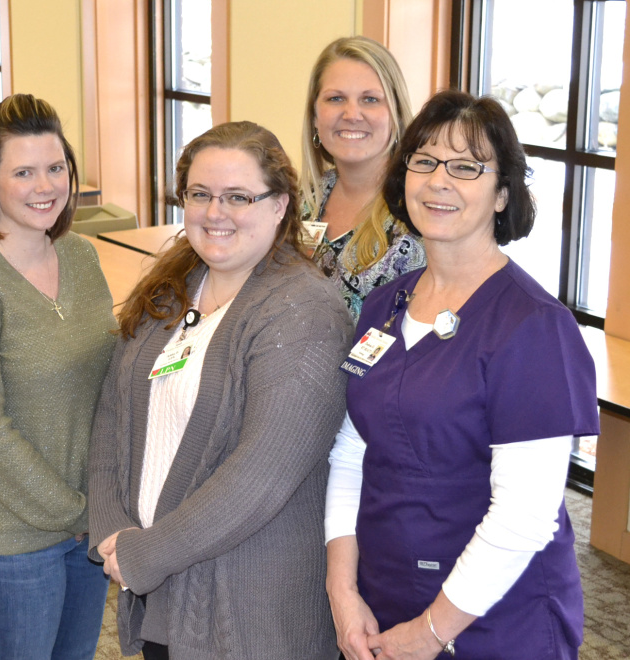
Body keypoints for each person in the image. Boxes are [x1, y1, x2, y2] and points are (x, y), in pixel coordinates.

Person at [325, 90, 599, 660]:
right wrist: (342, 589)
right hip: (384, 599)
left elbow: (525, 515)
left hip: (495, 620)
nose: (438, 181)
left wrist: (432, 631)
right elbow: (351, 453)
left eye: (467, 167)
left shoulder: (533, 328)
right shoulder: (384, 306)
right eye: (423, 162)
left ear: (502, 194)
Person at [89, 121, 353, 659]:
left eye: (239, 197)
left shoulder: (304, 311)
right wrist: (112, 529)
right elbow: (113, 413)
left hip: (249, 611)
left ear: (279, 205)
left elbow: (260, 475)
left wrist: (146, 554)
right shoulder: (171, 287)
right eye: (200, 194)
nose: (216, 213)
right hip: (162, 588)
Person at [0, 94, 116, 660]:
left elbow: (107, 383)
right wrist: (74, 512)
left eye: (55, 167)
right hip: (3, 538)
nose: (45, 185)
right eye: (24, 171)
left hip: (84, 523)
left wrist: (97, 505)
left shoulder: (81, 256)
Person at [300, 36, 426, 322]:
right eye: (336, 98)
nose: (352, 114)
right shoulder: (298, 202)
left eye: (370, 99)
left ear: (395, 113)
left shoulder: (421, 214)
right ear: (315, 116)